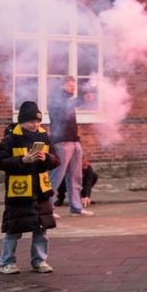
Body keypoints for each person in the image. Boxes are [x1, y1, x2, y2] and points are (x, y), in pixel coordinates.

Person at [0, 101, 60, 274]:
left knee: (41, 228)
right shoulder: (11, 138)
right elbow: (0, 162)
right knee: (13, 228)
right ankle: (6, 262)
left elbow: (56, 160)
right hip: (19, 191)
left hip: (41, 191)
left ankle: (39, 261)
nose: (35, 125)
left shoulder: (44, 136)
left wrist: (45, 158)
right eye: (31, 121)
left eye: (38, 121)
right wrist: (22, 160)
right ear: (21, 121)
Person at [48, 76, 94, 215]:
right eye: (70, 85)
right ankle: (47, 207)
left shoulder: (68, 99)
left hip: (74, 140)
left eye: (73, 86)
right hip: (62, 141)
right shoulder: (57, 99)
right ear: (62, 85)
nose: (72, 88)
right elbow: (66, 107)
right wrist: (82, 99)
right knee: (56, 176)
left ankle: (76, 206)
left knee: (76, 176)